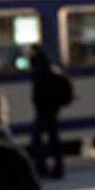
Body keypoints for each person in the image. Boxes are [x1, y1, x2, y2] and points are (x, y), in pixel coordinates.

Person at [29, 45, 71, 179]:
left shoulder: (39, 69)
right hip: (51, 109)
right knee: (53, 140)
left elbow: (40, 92)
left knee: (37, 141)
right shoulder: (50, 67)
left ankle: (43, 169)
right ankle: (57, 169)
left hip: (44, 110)